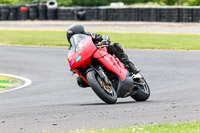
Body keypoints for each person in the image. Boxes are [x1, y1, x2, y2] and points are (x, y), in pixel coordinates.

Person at [67, 24, 140, 87]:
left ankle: (131, 67)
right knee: (80, 81)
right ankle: (99, 83)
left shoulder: (90, 35)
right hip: (88, 60)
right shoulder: (72, 48)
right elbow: (72, 57)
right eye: (70, 37)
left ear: (81, 33)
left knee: (114, 46)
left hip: (100, 52)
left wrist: (104, 40)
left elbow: (103, 37)